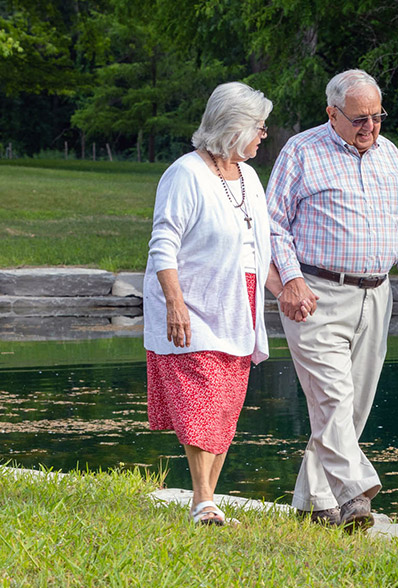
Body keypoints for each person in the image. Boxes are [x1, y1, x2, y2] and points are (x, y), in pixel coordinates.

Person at [267, 68, 398, 530]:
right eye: (359, 117)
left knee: (351, 407)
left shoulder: (391, 155)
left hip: (377, 295)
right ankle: (357, 494)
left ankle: (313, 503)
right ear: (332, 113)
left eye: (377, 116)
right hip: (315, 295)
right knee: (333, 399)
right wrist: (291, 280)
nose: (370, 126)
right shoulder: (301, 150)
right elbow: (273, 226)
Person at [144, 81, 289, 526]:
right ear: (234, 126)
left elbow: (255, 249)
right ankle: (204, 499)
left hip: (237, 303)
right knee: (201, 397)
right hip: (193, 301)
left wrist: (285, 292)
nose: (264, 135)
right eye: (259, 127)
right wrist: (175, 303)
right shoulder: (185, 174)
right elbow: (163, 242)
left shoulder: (248, 177)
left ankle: (205, 500)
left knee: (225, 406)